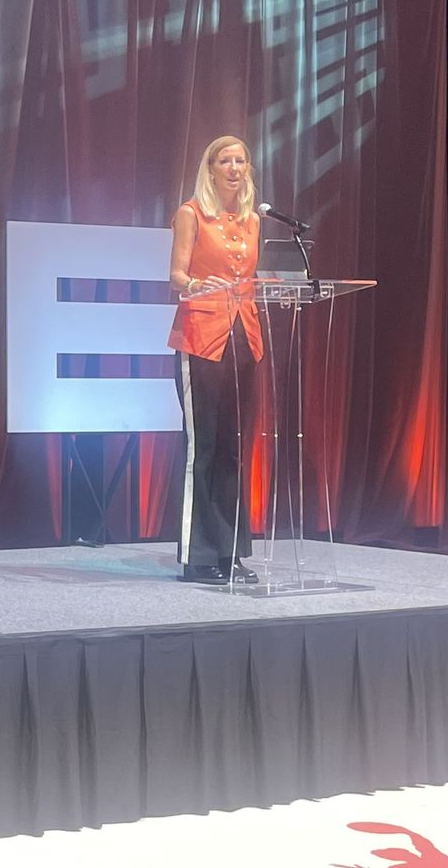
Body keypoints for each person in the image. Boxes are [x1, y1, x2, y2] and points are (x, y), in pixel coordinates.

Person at [166, 135, 264, 585]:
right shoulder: (191, 213)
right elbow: (176, 276)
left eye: (240, 160)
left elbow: (249, 276)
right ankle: (197, 555)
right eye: (225, 160)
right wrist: (194, 285)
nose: (233, 167)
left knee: (233, 451)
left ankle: (231, 552)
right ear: (210, 168)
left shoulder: (250, 221)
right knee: (202, 450)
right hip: (202, 337)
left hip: (244, 336)